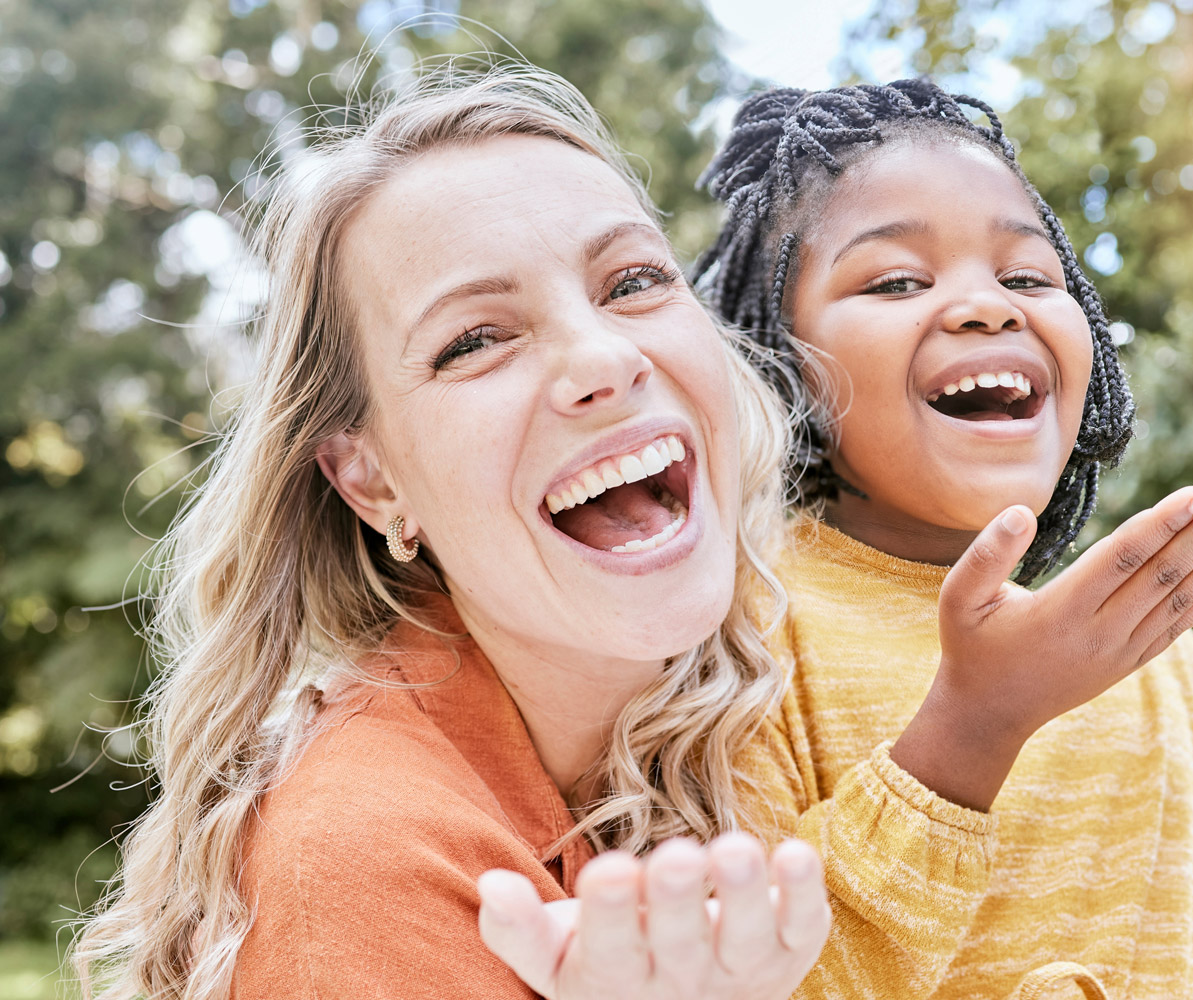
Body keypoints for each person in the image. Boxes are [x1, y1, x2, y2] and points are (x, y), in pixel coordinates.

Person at [69, 66, 832, 1000]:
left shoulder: (783, 693)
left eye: (633, 281)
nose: (604, 358)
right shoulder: (364, 856)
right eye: (474, 340)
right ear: (373, 479)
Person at [696, 79, 1193, 998]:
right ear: (776, 361)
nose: (988, 307)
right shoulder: (737, 632)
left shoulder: (1164, 659)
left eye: (1028, 276)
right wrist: (968, 734)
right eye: (897, 280)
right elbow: (736, 977)